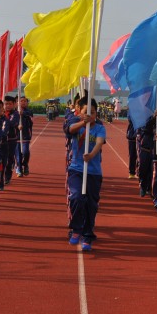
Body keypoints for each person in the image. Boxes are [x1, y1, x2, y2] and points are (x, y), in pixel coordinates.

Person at [67, 97, 106, 251]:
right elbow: (70, 130)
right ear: (79, 112)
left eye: (92, 112)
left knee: (91, 205)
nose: (89, 115)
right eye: (85, 112)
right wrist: (84, 122)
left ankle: (88, 236)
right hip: (76, 169)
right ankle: (76, 229)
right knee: (76, 198)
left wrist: (91, 155)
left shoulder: (100, 128)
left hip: (94, 172)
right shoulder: (76, 124)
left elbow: (99, 142)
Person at [2, 95, 20, 184]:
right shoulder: (0, 113)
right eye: (6, 104)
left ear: (14, 104)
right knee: (0, 159)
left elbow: (12, 123)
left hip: (11, 140)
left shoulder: (15, 114)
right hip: (1, 140)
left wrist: (3, 118)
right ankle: (0, 177)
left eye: (9, 104)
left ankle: (7, 177)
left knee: (9, 159)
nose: (7, 106)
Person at [16, 96, 34, 176]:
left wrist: (23, 113)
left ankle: (25, 164)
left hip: (26, 135)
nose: (23, 102)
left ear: (27, 103)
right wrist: (17, 126)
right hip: (16, 136)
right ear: (17, 103)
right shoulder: (15, 112)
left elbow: (31, 121)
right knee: (18, 154)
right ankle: (19, 168)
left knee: (25, 152)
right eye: (21, 101)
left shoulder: (29, 111)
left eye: (24, 101)